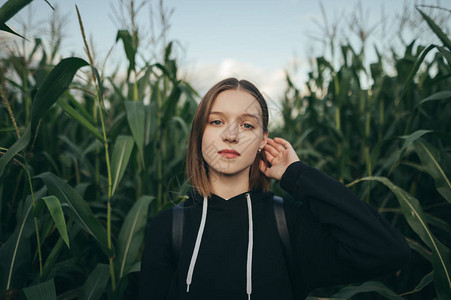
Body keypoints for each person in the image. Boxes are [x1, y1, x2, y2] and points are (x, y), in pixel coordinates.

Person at [139, 78, 410, 300]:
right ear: (199, 134)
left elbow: (388, 251)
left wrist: (296, 174)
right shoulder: (170, 227)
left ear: (263, 140)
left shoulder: (288, 225)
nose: (231, 135)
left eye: (247, 125)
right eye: (217, 121)